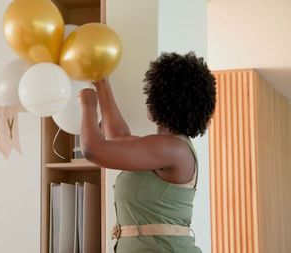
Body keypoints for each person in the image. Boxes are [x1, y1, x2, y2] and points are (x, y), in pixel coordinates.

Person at [79, 52, 216, 253]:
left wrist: (87, 105)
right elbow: (119, 137)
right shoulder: (166, 148)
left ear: (165, 99)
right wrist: (101, 83)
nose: (148, 99)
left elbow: (93, 150)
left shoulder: (173, 150)